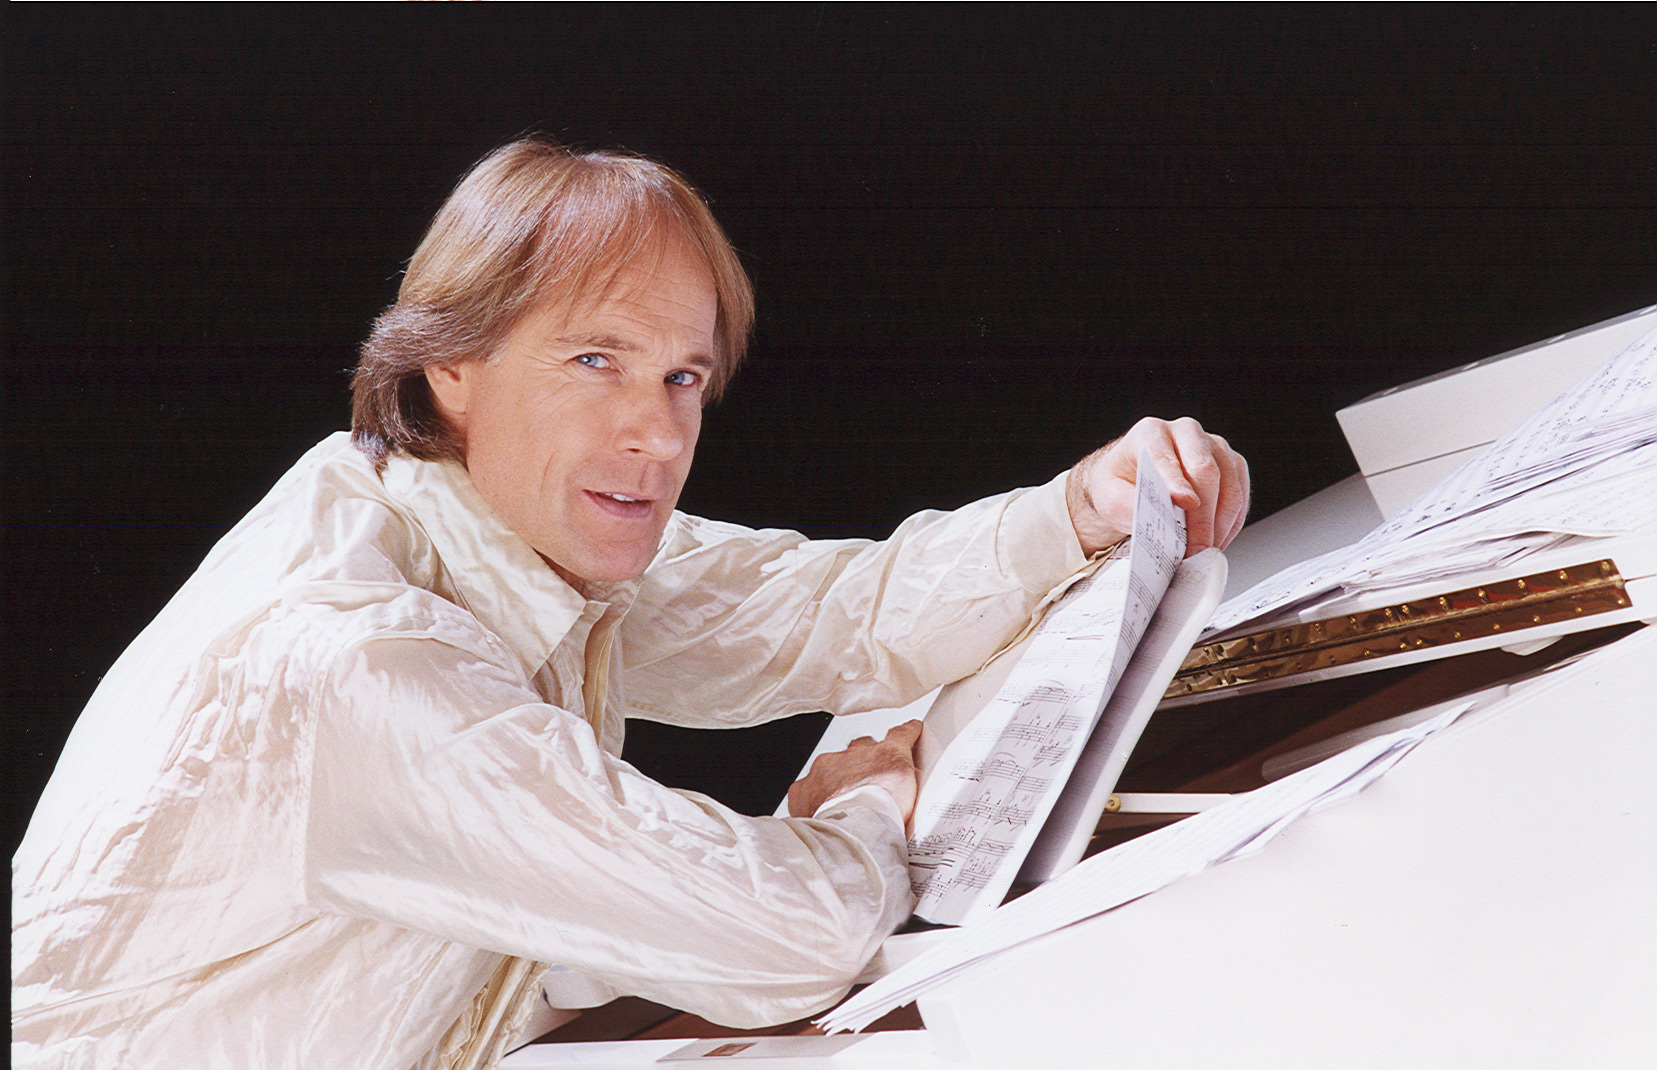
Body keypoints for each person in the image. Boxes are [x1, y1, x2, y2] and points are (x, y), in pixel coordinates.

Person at [11, 138, 1249, 1070]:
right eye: (594, 359)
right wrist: (868, 807)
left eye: (682, 376)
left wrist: (1082, 506)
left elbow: (830, 609)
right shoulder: (361, 655)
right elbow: (792, 939)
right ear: (451, 362)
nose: (655, 432)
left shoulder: (502, 519)